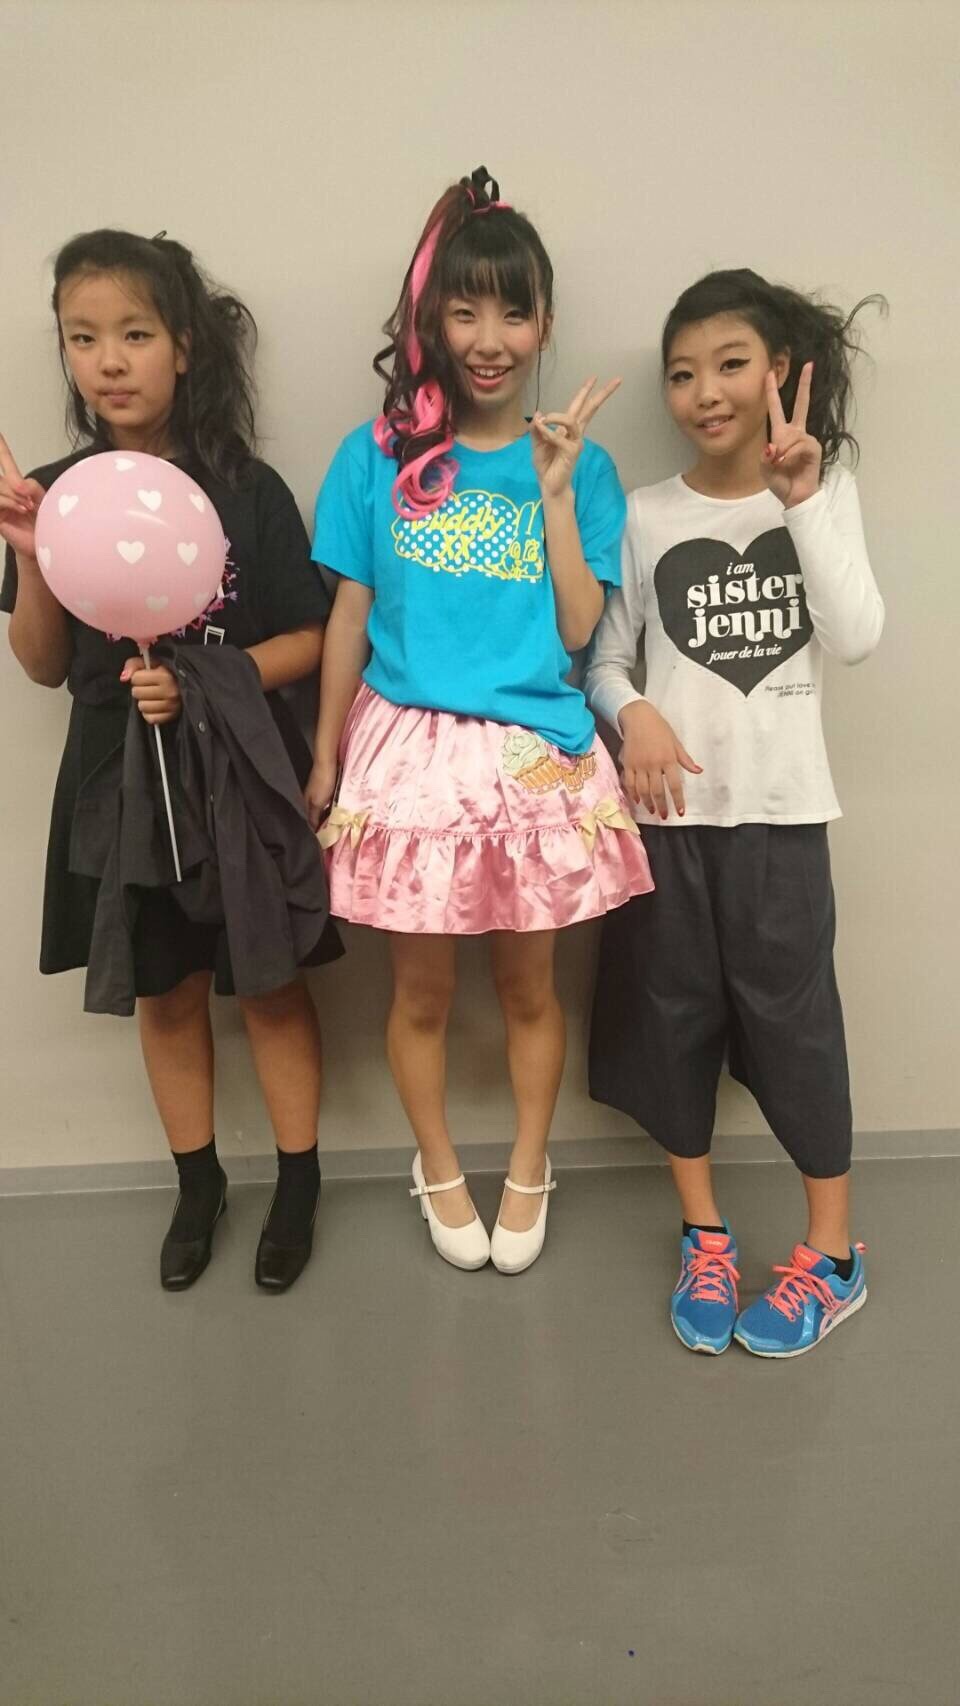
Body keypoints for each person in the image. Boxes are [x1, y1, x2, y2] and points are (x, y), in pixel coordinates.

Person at [306, 168, 652, 1276]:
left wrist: (551, 490)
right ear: (432, 321)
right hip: (408, 751)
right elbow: (348, 613)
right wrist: (323, 755)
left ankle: (532, 1164)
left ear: (544, 320)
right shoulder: (374, 455)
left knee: (528, 988)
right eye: (465, 311)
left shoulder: (584, 467)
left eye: (513, 311)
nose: (490, 339)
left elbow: (581, 627)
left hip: (529, 752)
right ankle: (440, 1165)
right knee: (419, 991)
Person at [0, 229, 341, 1293]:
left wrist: (202, 680)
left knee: (269, 984)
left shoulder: (245, 487)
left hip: (238, 774)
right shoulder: (55, 492)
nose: (109, 360)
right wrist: (29, 553)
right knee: (166, 990)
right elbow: (43, 665)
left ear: (184, 348)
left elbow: (312, 635)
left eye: (136, 334)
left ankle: (299, 1182)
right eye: (83, 338)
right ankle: (199, 1186)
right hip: (119, 781)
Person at [585, 268, 884, 1355]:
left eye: (729, 365)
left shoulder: (820, 486)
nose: (705, 392)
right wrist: (635, 716)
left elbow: (857, 635)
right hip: (667, 824)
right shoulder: (644, 515)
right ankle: (704, 1234)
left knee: (799, 1031)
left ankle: (833, 1256)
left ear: (778, 373)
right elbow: (606, 661)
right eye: (682, 373)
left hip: (782, 818)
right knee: (669, 1023)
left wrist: (799, 501)